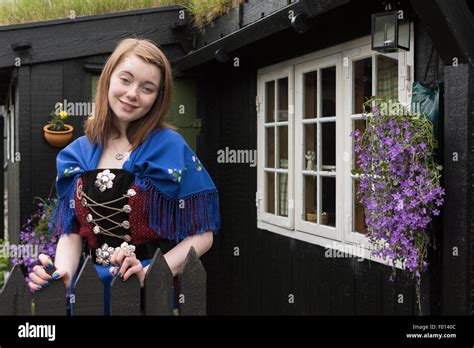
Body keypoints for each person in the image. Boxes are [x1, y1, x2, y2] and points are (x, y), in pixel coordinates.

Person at [27, 38, 221, 315]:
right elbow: (71, 233)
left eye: (147, 88)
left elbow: (203, 236)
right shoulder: (78, 153)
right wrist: (64, 274)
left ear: (158, 97)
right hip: (88, 291)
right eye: (126, 80)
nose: (132, 94)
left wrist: (152, 272)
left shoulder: (171, 147)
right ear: (108, 79)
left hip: (147, 291)